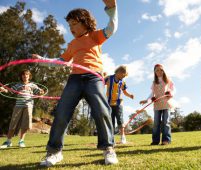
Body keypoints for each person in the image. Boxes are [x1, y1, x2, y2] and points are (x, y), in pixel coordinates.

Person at [32, 0, 119, 166]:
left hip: (94, 77)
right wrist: (42, 60)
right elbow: (61, 61)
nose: (71, 28)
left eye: (74, 23)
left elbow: (111, 28)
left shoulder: (94, 36)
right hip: (75, 79)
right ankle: (54, 152)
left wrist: (112, 9)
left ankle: (108, 148)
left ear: (85, 22)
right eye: (69, 25)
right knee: (62, 113)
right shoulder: (72, 44)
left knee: (101, 110)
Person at [0, 69, 44, 148]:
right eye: (23, 75)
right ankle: (8, 141)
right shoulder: (17, 85)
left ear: (29, 76)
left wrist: (41, 91)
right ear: (21, 76)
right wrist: (4, 90)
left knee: (25, 124)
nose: (25, 76)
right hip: (18, 106)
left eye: (27, 74)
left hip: (28, 106)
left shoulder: (32, 85)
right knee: (13, 122)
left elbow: (39, 92)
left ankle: (21, 141)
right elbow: (10, 91)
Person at [139, 64, 175, 145]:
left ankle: (166, 140)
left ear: (163, 71)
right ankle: (155, 140)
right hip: (157, 104)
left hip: (166, 103)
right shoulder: (154, 82)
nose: (159, 71)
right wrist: (147, 100)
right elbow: (152, 93)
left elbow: (173, 90)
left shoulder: (168, 80)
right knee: (156, 123)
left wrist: (170, 93)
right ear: (154, 72)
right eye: (157, 70)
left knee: (166, 122)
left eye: (161, 70)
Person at [105, 65, 134, 144]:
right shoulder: (109, 78)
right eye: (123, 75)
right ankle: (111, 138)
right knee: (110, 120)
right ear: (119, 72)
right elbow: (100, 83)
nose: (123, 77)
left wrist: (130, 95)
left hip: (119, 102)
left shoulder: (122, 82)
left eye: (125, 76)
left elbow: (125, 92)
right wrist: (102, 75)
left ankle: (122, 136)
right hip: (109, 102)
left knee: (120, 119)